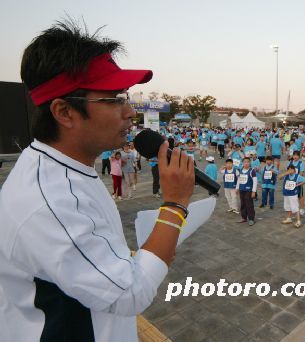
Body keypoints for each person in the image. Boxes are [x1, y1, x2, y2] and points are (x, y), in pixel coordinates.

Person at [0, 21, 195, 342]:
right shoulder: (47, 201)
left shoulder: (64, 168)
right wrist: (175, 205)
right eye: (115, 99)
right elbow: (131, 292)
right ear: (64, 112)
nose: (130, 111)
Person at [236, 157, 257, 226]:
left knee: (249, 205)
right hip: (242, 190)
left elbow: (255, 181)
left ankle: (251, 219)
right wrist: (237, 188)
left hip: (249, 190)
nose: (246, 163)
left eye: (248, 162)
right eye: (245, 162)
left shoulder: (252, 171)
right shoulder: (240, 170)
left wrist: (253, 191)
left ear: (250, 163)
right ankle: (244, 217)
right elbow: (239, 179)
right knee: (243, 204)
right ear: (242, 163)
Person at [287, 151, 305, 215]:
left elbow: (301, 173)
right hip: (290, 183)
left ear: (299, 156)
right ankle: (293, 208)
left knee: (300, 196)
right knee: (292, 196)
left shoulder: (301, 163)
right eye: (294, 155)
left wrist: (296, 181)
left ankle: (302, 209)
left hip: (298, 183)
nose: (295, 156)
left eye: (297, 155)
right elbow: (287, 172)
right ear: (292, 156)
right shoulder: (290, 163)